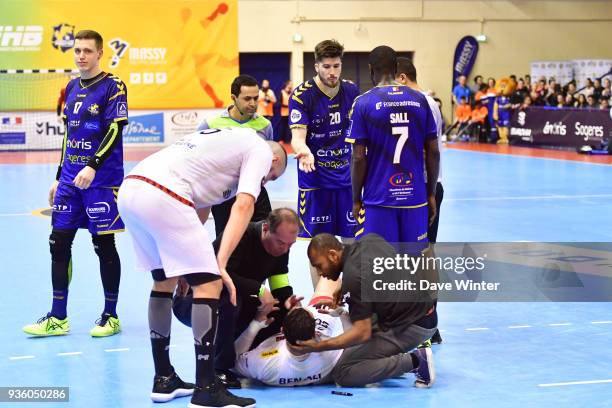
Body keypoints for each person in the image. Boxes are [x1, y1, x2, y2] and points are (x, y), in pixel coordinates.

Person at [117, 127, 287, 407]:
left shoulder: (224, 146)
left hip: (132, 189)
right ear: (275, 160)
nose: (266, 181)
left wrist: (186, 263)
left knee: (163, 282)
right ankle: (207, 388)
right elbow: (244, 207)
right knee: (210, 284)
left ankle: (164, 379)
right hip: (164, 193)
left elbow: (200, 204)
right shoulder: (259, 149)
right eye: (272, 176)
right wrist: (219, 264)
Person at [23, 30, 128, 338]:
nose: (81, 55)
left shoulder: (113, 86)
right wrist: (59, 176)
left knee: (103, 245)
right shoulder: (70, 86)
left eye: (87, 50)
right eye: (77, 50)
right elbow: (69, 136)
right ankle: (58, 317)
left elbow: (115, 130)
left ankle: (110, 315)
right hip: (70, 179)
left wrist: (93, 166)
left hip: (101, 180)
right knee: (59, 242)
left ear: (99, 54)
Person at [172, 208, 300, 389]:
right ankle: (218, 368)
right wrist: (260, 290)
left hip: (240, 296)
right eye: (281, 243)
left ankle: (246, 355)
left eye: (290, 245)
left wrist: (288, 300)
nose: (285, 249)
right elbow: (223, 276)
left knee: (279, 310)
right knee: (231, 299)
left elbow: (279, 279)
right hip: (194, 300)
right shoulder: (240, 236)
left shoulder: (282, 247)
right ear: (265, 229)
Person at [294, 233, 438, 388]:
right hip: (424, 310)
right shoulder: (368, 240)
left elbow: (362, 333)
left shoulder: (354, 279)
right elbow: (376, 274)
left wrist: (318, 346)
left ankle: (416, 361)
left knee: (343, 371)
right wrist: (346, 291)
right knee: (355, 345)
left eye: (319, 266)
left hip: (413, 326)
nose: (320, 273)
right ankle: (387, 360)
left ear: (333, 255)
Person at [347, 46, 439, 248]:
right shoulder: (420, 99)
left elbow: (358, 158)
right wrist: (430, 193)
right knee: (413, 265)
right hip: (415, 198)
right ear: (397, 67)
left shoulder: (363, 103)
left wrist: (355, 199)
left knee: (380, 265)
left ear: (371, 69)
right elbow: (433, 151)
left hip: (379, 199)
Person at [288, 39, 360, 287]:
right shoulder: (302, 95)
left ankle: (352, 296)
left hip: (346, 179)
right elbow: (297, 138)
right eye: (327, 66)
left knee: (351, 242)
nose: (332, 72)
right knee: (319, 246)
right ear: (316, 66)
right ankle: (321, 302)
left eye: (336, 66)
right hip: (315, 180)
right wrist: (304, 151)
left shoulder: (351, 91)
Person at [232, 275, 347, 386]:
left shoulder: (260, 363)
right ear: (316, 333)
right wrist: (343, 314)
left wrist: (255, 325)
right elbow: (358, 342)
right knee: (331, 277)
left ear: (282, 332)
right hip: (319, 353)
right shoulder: (332, 354)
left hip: (267, 348)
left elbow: (232, 362)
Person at [197, 74, 274, 237]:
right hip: (224, 196)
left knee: (265, 239)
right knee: (227, 243)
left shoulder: (265, 126)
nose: (253, 104)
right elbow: (199, 160)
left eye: (255, 98)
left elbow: (267, 161)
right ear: (233, 98)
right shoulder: (210, 124)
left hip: (256, 194)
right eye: (247, 99)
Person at [278, 80, 293, 146]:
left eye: (291, 84)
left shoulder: (292, 92)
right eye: (290, 84)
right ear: (287, 85)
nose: (291, 85)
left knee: (290, 128)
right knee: (283, 127)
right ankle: (282, 140)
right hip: (283, 113)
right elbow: (279, 103)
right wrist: (287, 106)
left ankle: (289, 140)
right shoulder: (282, 92)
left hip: (291, 113)